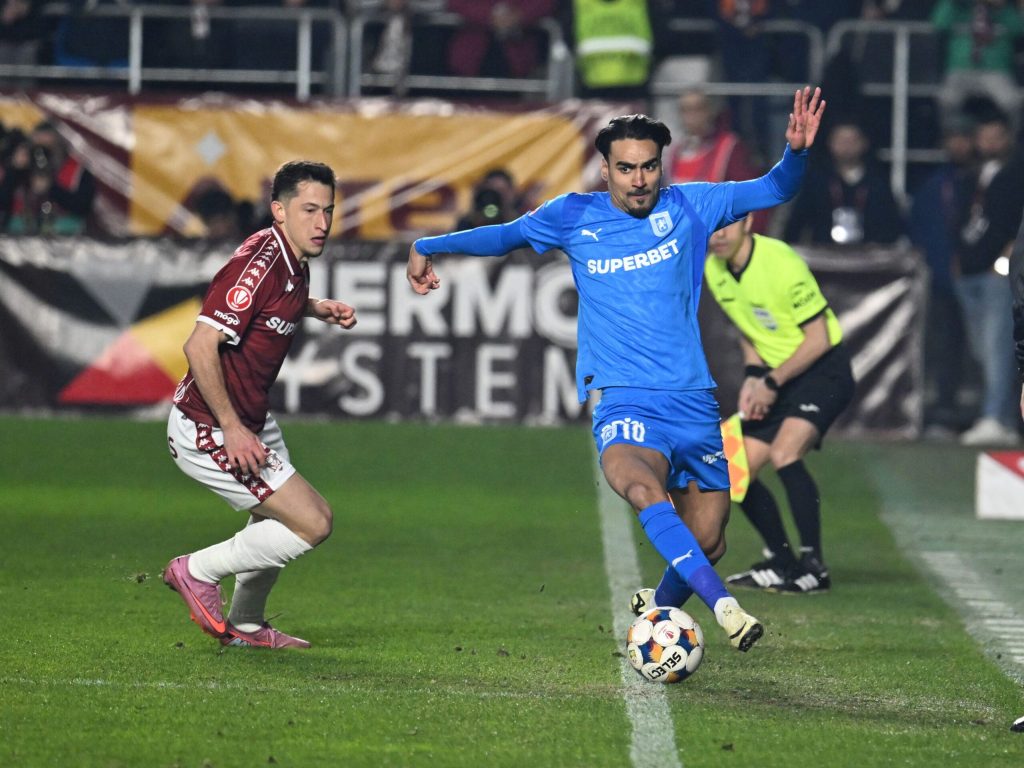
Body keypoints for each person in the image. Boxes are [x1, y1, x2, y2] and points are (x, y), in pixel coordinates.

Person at [407, 87, 827, 652]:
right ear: (605, 169)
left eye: (648, 166)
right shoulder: (572, 215)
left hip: (694, 403)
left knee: (708, 540)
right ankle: (724, 608)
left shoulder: (693, 206)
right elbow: (504, 236)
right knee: (638, 484)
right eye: (625, 168)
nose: (638, 179)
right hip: (625, 398)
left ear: (661, 166)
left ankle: (655, 612)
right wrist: (430, 243)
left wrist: (796, 153)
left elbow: (775, 188)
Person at [163, 160, 357, 649]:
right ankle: (196, 570)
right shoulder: (261, 263)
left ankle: (246, 624)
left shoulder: (291, 258)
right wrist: (231, 428)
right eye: (309, 210)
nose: (322, 222)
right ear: (279, 210)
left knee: (281, 517)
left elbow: (271, 300)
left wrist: (314, 307)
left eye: (328, 210)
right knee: (313, 521)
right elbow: (199, 346)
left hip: (250, 416)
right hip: (208, 424)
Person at [704, 214, 855, 593]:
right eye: (711, 226)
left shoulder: (780, 261)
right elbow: (748, 330)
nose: (718, 235)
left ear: (748, 222)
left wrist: (771, 383)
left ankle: (814, 568)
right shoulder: (714, 269)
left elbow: (819, 339)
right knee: (732, 468)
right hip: (777, 376)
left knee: (786, 452)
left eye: (726, 224)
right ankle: (782, 561)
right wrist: (754, 377)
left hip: (823, 371)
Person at [954, 108, 1023, 445]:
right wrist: (956, 260)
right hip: (969, 271)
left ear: (1008, 138)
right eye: (984, 137)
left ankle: (995, 416)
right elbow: (962, 220)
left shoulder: (1017, 173)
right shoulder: (969, 175)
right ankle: (1006, 418)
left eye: (997, 136)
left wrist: (1009, 257)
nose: (990, 143)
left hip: (1000, 273)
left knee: (998, 347)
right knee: (982, 349)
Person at [783, 119, 904, 246]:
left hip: (868, 254)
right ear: (830, 143)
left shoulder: (877, 182)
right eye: (840, 141)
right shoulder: (817, 181)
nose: (847, 146)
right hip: (824, 253)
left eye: (852, 141)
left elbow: (893, 225)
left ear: (864, 143)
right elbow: (796, 223)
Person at [670, 86, 767, 232]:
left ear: (709, 111)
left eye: (698, 109)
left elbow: (752, 198)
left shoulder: (729, 148)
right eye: (686, 110)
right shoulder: (675, 152)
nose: (692, 116)